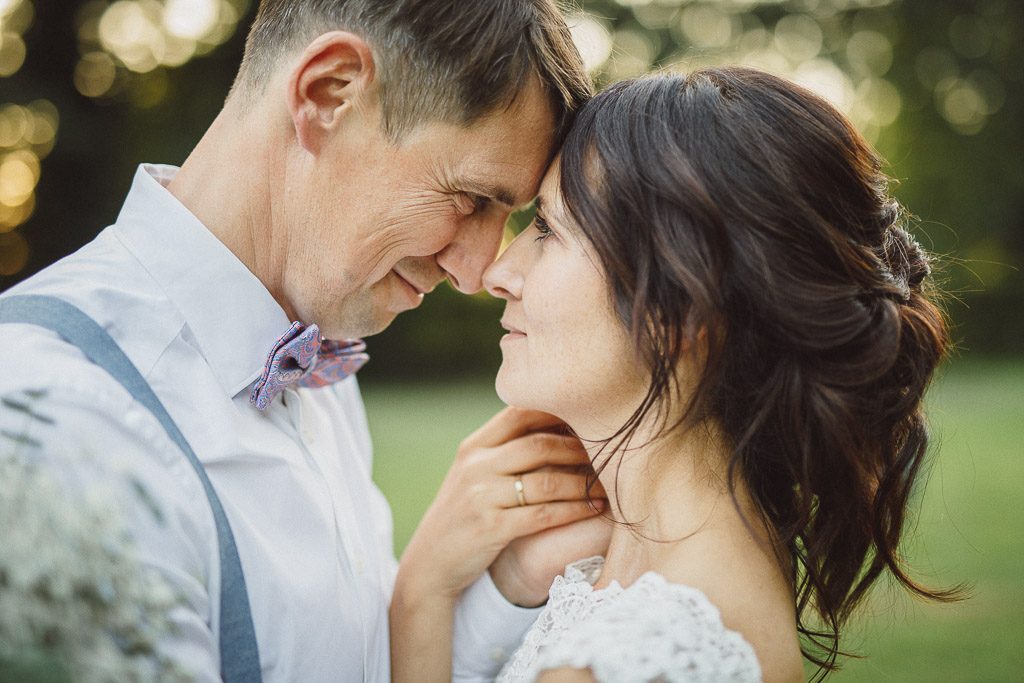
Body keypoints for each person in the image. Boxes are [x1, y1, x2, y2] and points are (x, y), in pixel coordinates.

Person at [0, 1, 607, 681]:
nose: (475, 273)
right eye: (469, 199)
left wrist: (492, 584)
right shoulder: (54, 424)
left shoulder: (316, 364)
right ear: (328, 93)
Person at [396, 67, 961, 682]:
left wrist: (420, 592)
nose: (497, 274)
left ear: (681, 308)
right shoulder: (689, 561)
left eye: (549, 228)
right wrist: (442, 591)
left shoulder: (620, 662)